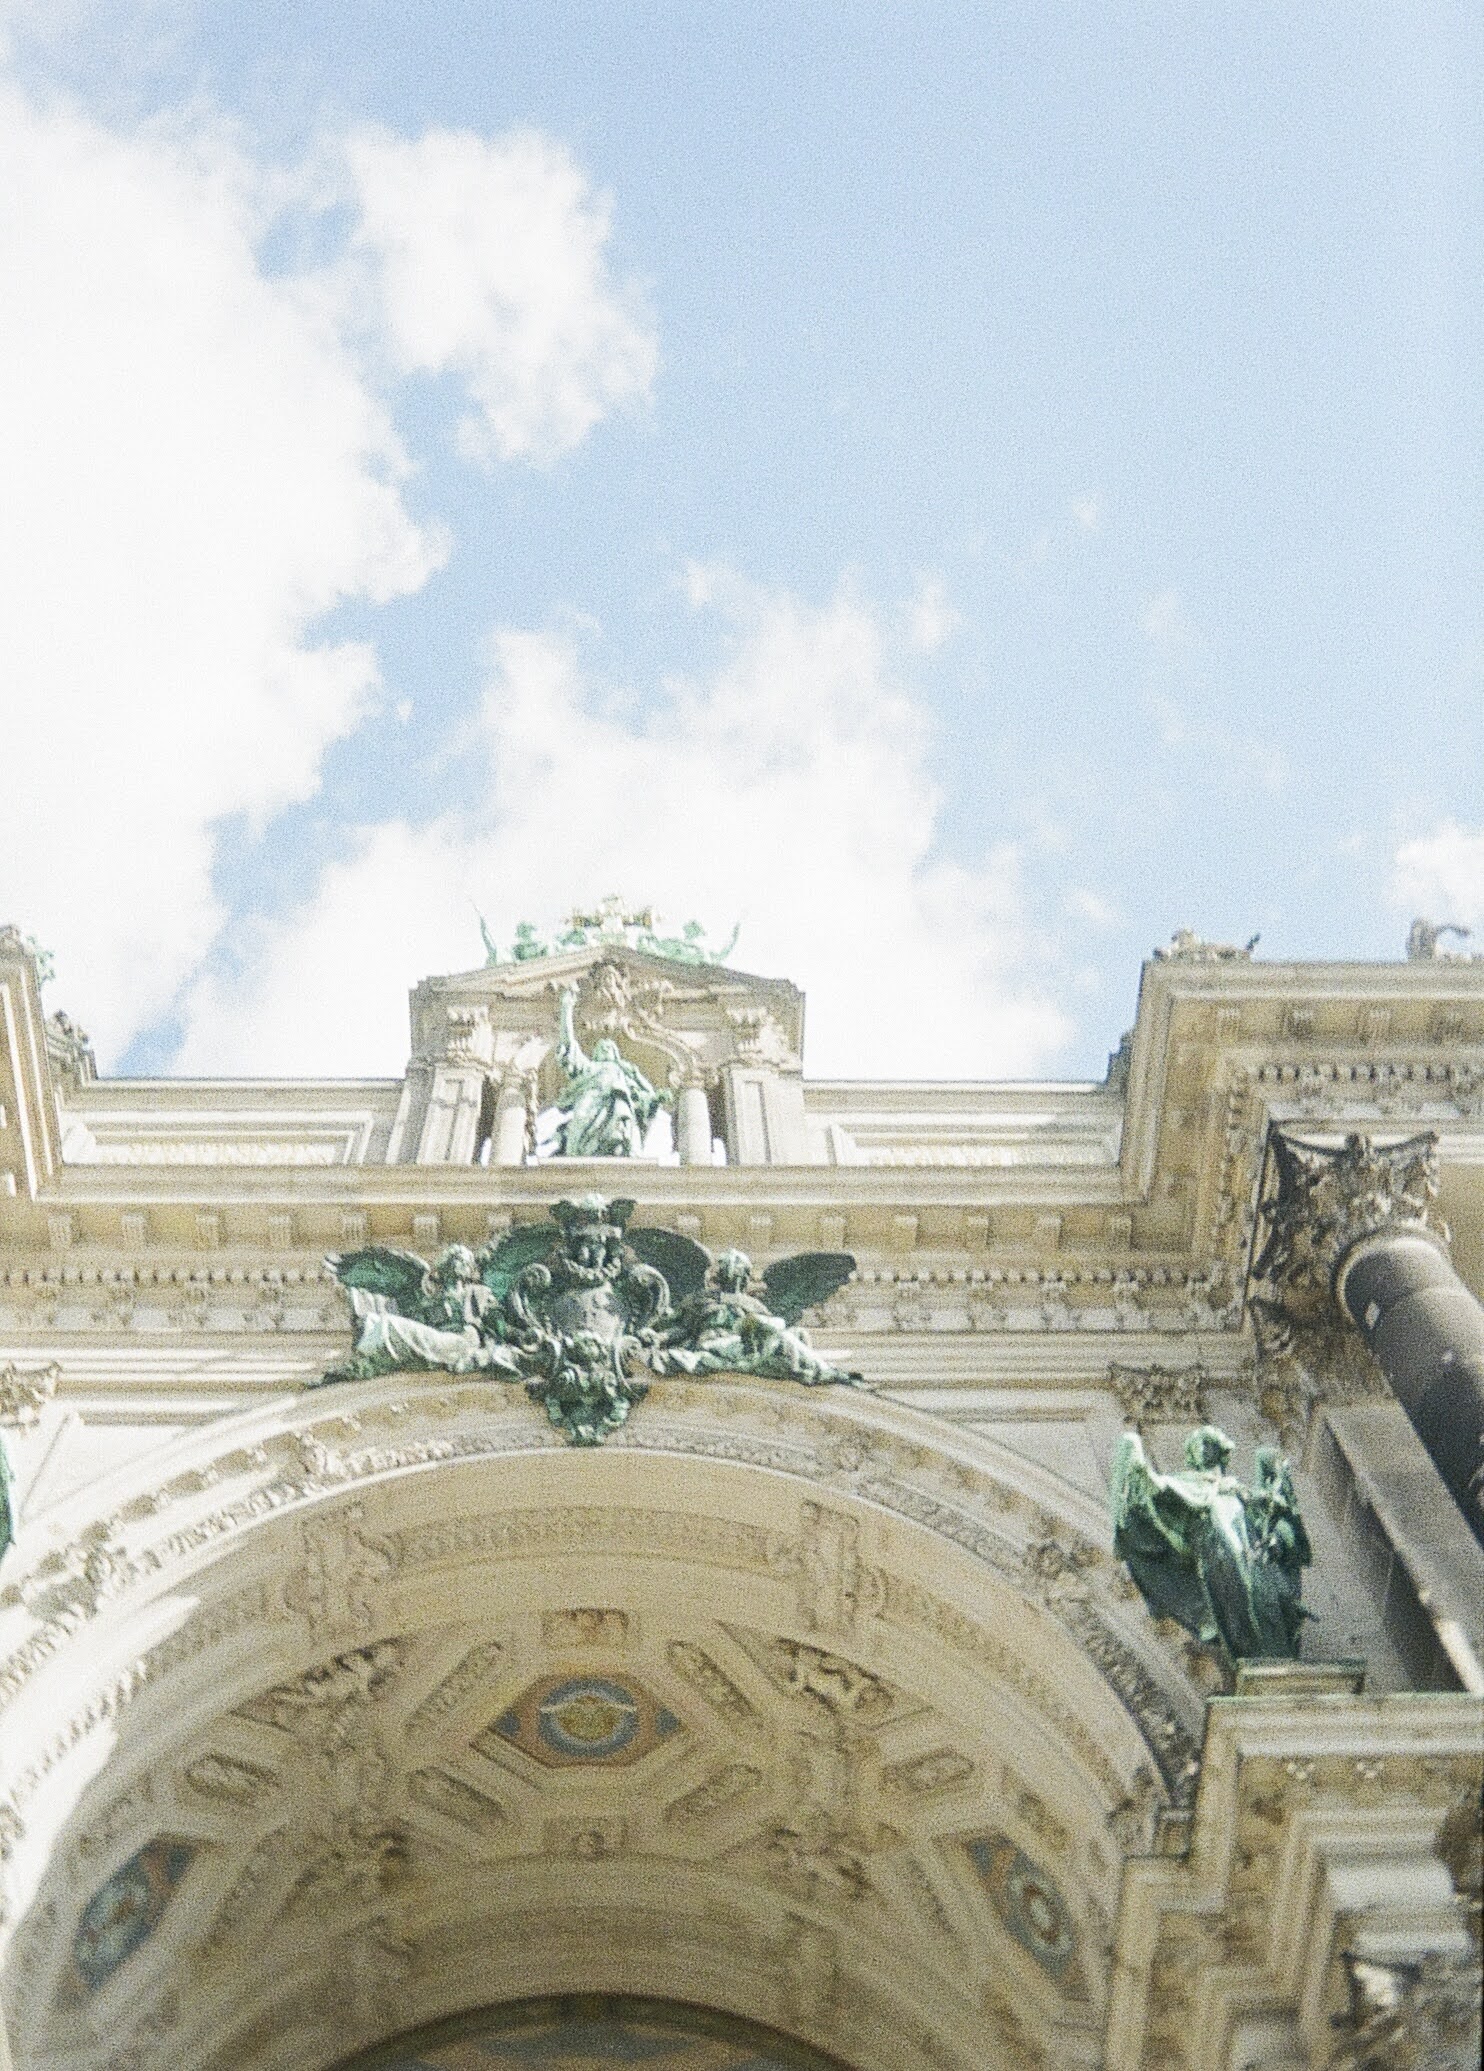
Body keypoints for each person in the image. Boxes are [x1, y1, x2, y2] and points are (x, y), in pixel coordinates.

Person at [551, 988, 666, 1157]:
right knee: (579, 1122)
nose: (605, 1049)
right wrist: (566, 1009)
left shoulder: (624, 1070)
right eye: (601, 1048)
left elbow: (645, 1095)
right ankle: (574, 1155)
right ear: (595, 1054)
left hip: (618, 1103)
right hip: (590, 1099)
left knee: (621, 1127)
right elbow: (568, 1044)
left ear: (616, 1054)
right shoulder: (588, 1067)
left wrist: (657, 1098)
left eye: (609, 1048)